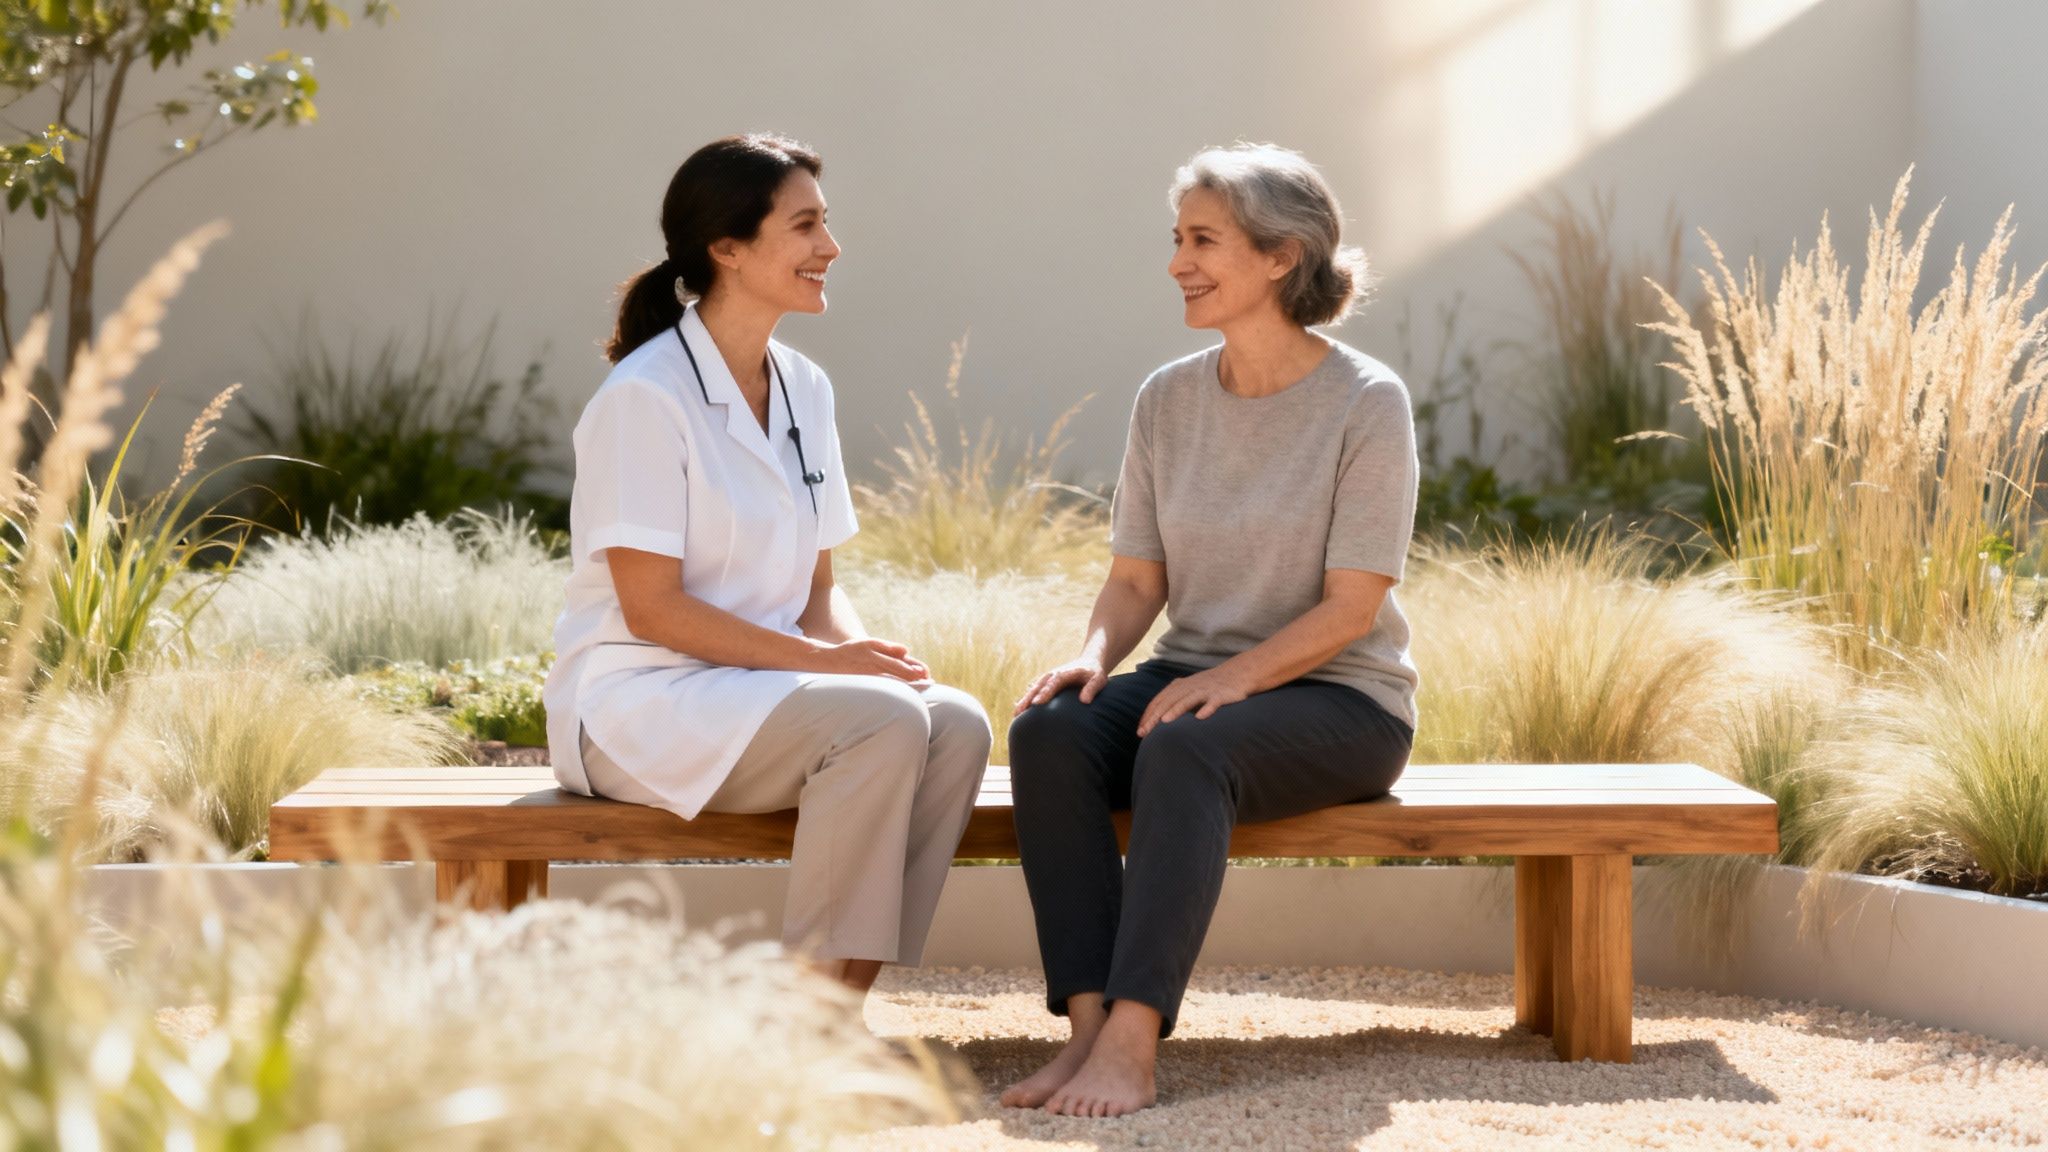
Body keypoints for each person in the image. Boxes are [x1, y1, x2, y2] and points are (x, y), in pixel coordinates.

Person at [1000, 143, 1420, 1116]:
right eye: (1176, 239)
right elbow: (1135, 579)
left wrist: (1236, 682)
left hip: (1339, 697)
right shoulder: (1168, 398)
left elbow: (1351, 607)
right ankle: (1088, 1026)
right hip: (1192, 678)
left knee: (1185, 748)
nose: (1176, 261)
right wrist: (1092, 657)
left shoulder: (1365, 402)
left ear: (1280, 256)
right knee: (1049, 732)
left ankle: (1135, 1044)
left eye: (1202, 240)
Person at [542, 133, 992, 997]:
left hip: (762, 697)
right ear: (728, 250)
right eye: (806, 226)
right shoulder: (644, 398)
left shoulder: (803, 387)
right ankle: (803, 1026)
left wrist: (872, 662)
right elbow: (654, 613)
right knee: (878, 721)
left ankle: (834, 1011)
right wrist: (835, 670)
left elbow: (819, 594)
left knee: (956, 721)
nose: (830, 247)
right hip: (637, 702)